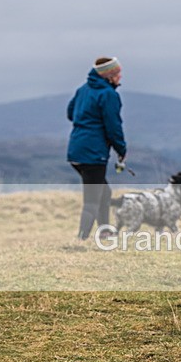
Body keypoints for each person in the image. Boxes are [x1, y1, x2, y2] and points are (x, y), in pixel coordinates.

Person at [66, 57, 127, 240]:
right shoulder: (109, 95)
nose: (120, 76)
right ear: (109, 76)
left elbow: (71, 113)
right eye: (117, 73)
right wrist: (121, 150)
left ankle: (105, 232)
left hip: (75, 150)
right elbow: (113, 126)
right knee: (92, 200)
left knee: (104, 192)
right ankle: (82, 239)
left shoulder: (82, 90)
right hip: (93, 154)